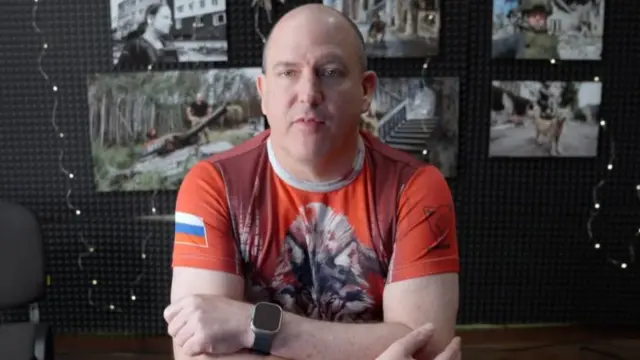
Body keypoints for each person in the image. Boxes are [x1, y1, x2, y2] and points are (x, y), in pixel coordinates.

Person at [165, 4, 460, 360]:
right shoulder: (213, 185)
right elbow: (196, 353)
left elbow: (426, 348)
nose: (308, 93)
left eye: (330, 71)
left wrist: (254, 325)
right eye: (288, 72)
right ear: (264, 92)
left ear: (366, 91)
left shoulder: (415, 188)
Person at [113, 3, 179, 70]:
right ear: (150, 19)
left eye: (170, 18)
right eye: (166, 17)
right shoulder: (135, 46)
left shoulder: (168, 45)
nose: (171, 22)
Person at [492, 0, 560, 59]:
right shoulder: (519, 38)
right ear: (527, 16)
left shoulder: (551, 40)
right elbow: (496, 47)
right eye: (534, 14)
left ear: (546, 16)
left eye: (541, 14)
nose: (538, 18)